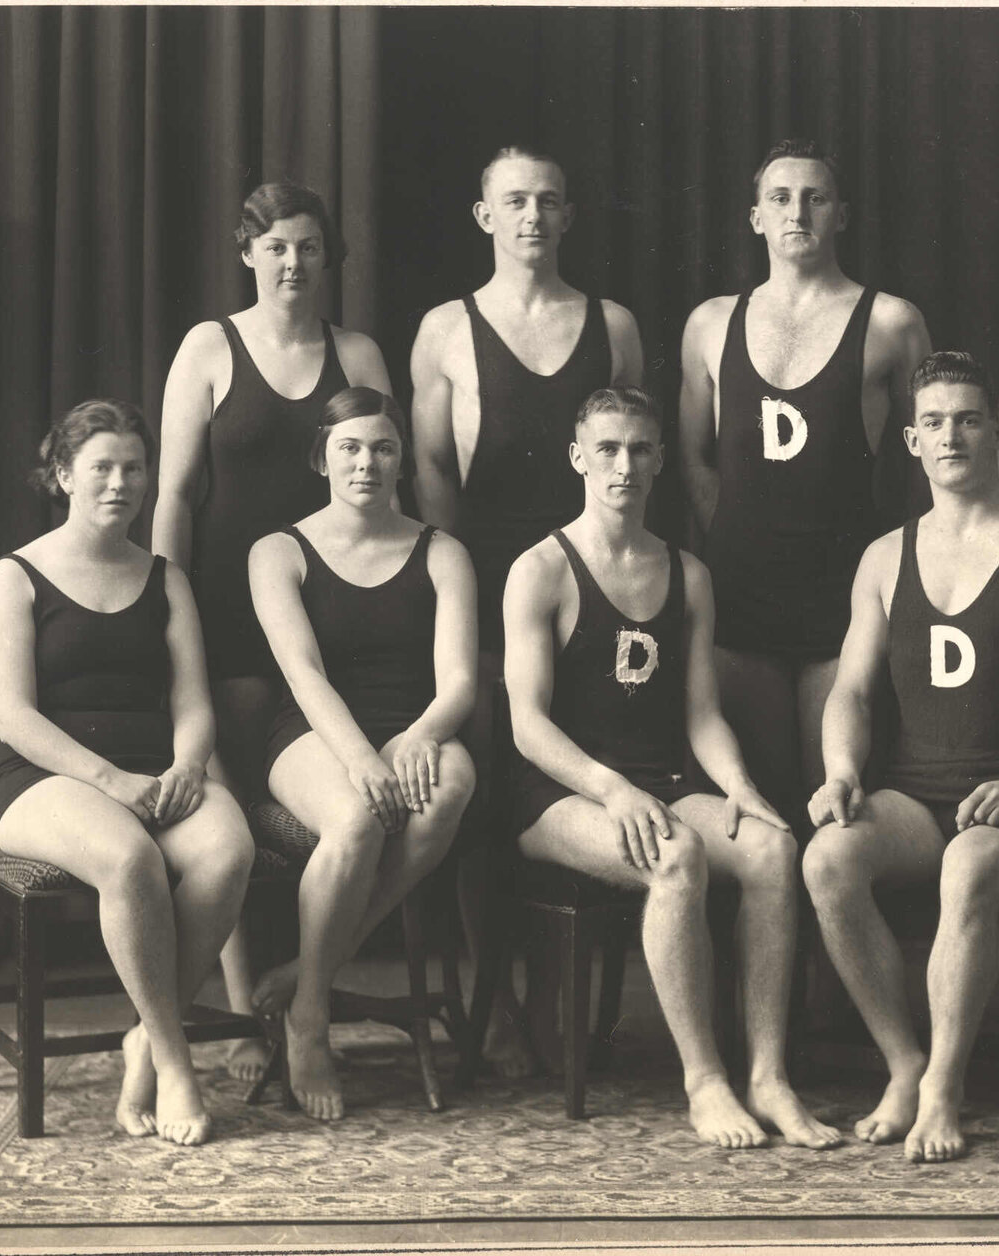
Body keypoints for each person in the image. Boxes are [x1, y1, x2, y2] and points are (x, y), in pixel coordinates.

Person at [505, 386, 838, 1151]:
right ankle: (705, 1081)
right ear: (577, 457)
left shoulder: (687, 572)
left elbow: (701, 716)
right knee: (676, 857)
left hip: (662, 782)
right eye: (607, 449)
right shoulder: (541, 569)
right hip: (559, 793)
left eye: (639, 449)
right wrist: (610, 789)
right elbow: (527, 725)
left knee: (772, 848)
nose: (623, 465)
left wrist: (741, 788)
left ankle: (767, 1076)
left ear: (660, 460)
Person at [802, 352, 999, 1162]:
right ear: (911, 440)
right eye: (933, 422)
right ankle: (904, 1062)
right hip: (913, 798)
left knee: (968, 864)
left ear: (998, 432)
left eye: (968, 419)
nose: (951, 436)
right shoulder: (883, 556)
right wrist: (840, 771)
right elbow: (851, 691)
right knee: (827, 859)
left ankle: (943, 1087)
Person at [151, 179, 394, 1078]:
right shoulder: (209, 347)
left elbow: (380, 478)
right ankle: (239, 1004)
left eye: (309, 247)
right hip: (218, 608)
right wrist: (168, 612)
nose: (293, 263)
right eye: (277, 247)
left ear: (329, 257)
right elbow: (175, 495)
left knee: (325, 807)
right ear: (248, 252)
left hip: (329, 618)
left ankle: (298, 988)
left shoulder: (356, 351)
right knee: (228, 812)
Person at [411, 145, 643, 1075]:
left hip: (588, 592)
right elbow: (431, 472)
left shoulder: (611, 324)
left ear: (568, 214)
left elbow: (631, 456)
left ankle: (556, 996)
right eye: (514, 201)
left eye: (548, 200)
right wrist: (458, 596)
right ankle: (497, 1000)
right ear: (485, 216)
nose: (532, 216)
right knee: (488, 797)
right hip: (482, 584)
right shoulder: (445, 329)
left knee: (569, 779)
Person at [0, 399, 254, 1147]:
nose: (120, 483)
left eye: (134, 468)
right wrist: (110, 782)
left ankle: (144, 1038)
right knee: (130, 858)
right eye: (101, 467)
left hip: (153, 770)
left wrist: (188, 764)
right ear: (63, 474)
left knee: (229, 848)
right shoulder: (16, 576)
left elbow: (192, 703)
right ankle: (173, 1060)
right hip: (41, 779)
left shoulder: (165, 578)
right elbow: (15, 719)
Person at [679, 138, 932, 829]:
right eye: (780, 198)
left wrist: (889, 578)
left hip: (843, 601)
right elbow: (693, 457)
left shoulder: (891, 321)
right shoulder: (710, 323)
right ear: (755, 217)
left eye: (815, 198)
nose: (797, 212)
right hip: (740, 597)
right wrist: (731, 535)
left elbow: (925, 461)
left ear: (840, 215)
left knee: (834, 806)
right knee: (759, 811)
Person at [244, 387, 477, 1120]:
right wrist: (360, 760)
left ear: (402, 460)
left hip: (410, 726)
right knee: (355, 819)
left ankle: (306, 974)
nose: (366, 463)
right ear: (322, 458)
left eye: (382, 448)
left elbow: (460, 681)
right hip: (311, 734)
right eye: (349, 448)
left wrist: (421, 734)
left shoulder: (443, 552)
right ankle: (311, 1018)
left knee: (451, 786)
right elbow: (303, 673)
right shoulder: (278, 551)